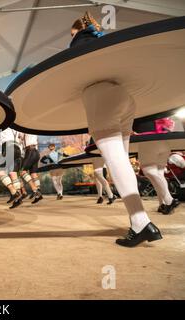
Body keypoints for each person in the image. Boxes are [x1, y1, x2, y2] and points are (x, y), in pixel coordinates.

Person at [71, 11, 163, 247]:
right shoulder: (102, 40)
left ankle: (142, 222)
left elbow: (77, 69)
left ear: (76, 31)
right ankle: (137, 221)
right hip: (124, 97)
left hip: (101, 97)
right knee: (120, 159)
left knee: (115, 161)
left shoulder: (81, 41)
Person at [133, 118, 180, 215]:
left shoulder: (142, 111)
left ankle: (169, 199)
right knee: (159, 174)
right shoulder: (158, 110)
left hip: (148, 142)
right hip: (164, 143)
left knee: (149, 171)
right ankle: (162, 204)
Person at [0, 128, 24, 209]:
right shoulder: (17, 127)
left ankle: (14, 193)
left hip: (8, 146)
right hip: (17, 148)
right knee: (13, 174)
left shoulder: (3, 124)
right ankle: (17, 200)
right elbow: (21, 137)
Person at [19, 133, 43, 204]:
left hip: (30, 151)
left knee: (22, 172)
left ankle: (35, 190)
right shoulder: (32, 128)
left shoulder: (24, 127)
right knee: (33, 174)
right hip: (36, 151)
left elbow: (20, 136)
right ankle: (38, 194)